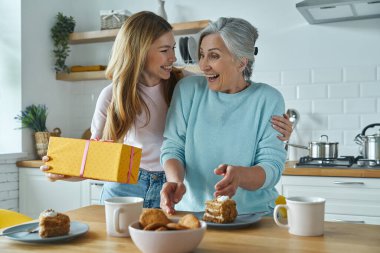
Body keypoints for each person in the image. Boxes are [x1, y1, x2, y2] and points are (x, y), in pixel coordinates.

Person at [41, 12, 292, 209]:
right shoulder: (116, 95)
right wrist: (66, 172)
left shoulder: (180, 84)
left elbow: (244, 128)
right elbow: (97, 158)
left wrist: (275, 133)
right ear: (139, 53)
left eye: (173, 49)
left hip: (174, 184)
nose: (174, 58)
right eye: (165, 50)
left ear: (242, 61)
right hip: (131, 184)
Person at [160, 17, 287, 215]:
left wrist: (240, 176)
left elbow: (271, 167)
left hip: (254, 216)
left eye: (213, 56)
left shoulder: (268, 99)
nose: (203, 65)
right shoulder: (188, 91)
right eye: (202, 55)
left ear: (241, 62)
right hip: (194, 214)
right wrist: (175, 181)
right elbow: (173, 147)